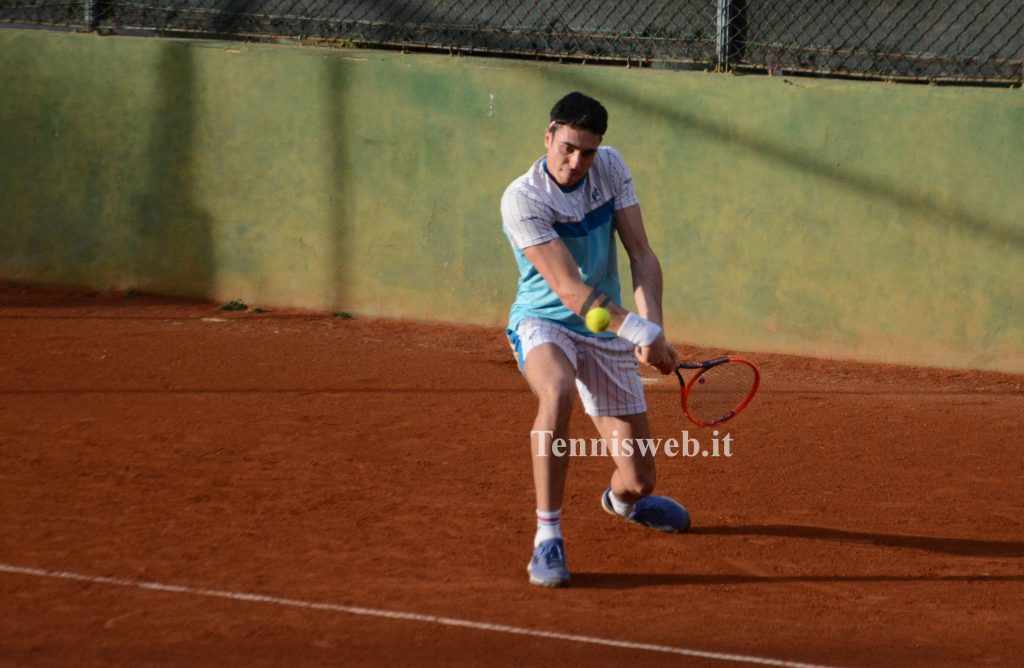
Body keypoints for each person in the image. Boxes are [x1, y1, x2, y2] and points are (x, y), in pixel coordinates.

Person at [502, 92, 691, 588]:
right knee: (558, 390)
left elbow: (642, 254)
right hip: (546, 322)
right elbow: (569, 291)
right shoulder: (522, 198)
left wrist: (655, 327)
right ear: (548, 136)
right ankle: (548, 537)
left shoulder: (610, 169)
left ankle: (623, 503)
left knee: (640, 480)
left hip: (607, 329)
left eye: (587, 152)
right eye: (567, 148)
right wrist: (640, 330)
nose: (575, 162)